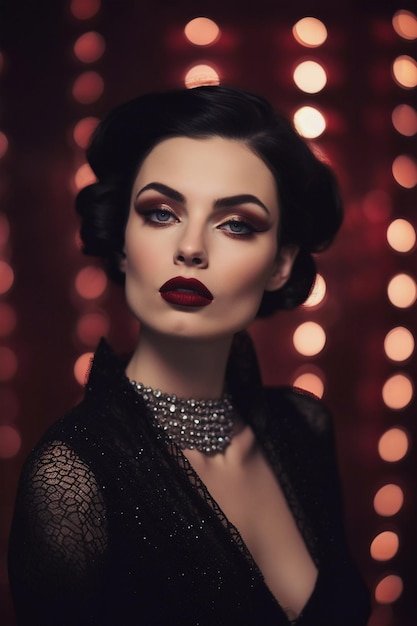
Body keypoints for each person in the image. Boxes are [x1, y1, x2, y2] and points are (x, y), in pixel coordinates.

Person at [8, 85, 370, 625]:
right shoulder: (74, 477)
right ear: (124, 242)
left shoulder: (303, 426)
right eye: (160, 213)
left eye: (236, 224)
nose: (191, 246)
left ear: (281, 265)